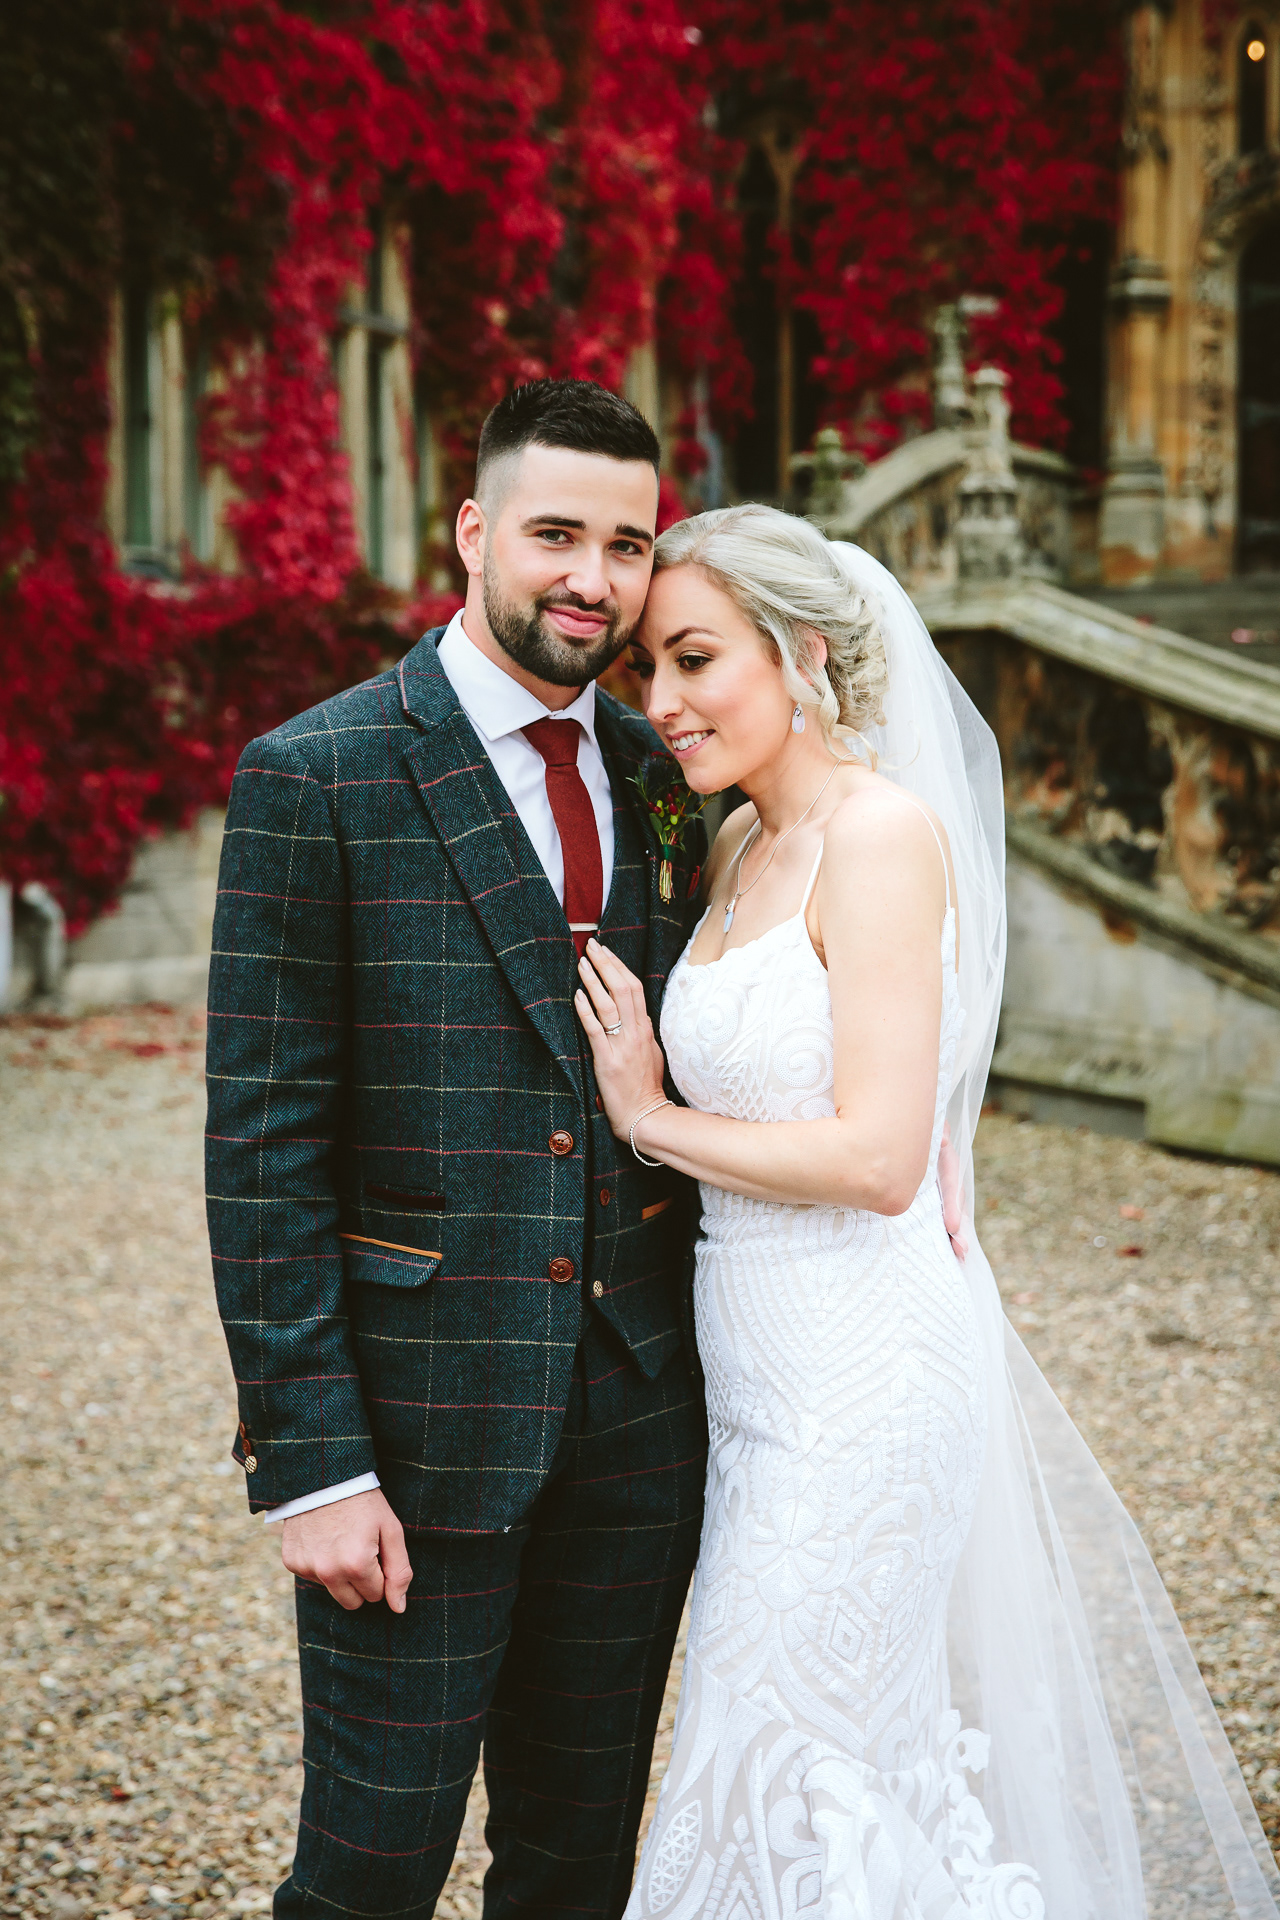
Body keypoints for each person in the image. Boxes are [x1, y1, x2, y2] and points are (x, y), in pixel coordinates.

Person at [575, 504, 1280, 1920]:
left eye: (696, 658)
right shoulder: (729, 852)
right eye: (649, 667)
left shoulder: (881, 837)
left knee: (781, 1764)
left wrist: (650, 1118)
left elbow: (883, 1157)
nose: (662, 702)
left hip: (868, 1385)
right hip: (761, 1385)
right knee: (819, 1764)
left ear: (807, 654)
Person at [205, 378, 712, 1919]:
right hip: (417, 1440)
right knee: (369, 1868)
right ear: (474, 530)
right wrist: (312, 1465)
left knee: (574, 1863)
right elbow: (264, 1147)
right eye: (556, 533)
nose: (592, 580)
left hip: (639, 1428)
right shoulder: (320, 775)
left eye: (627, 547)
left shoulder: (666, 770)